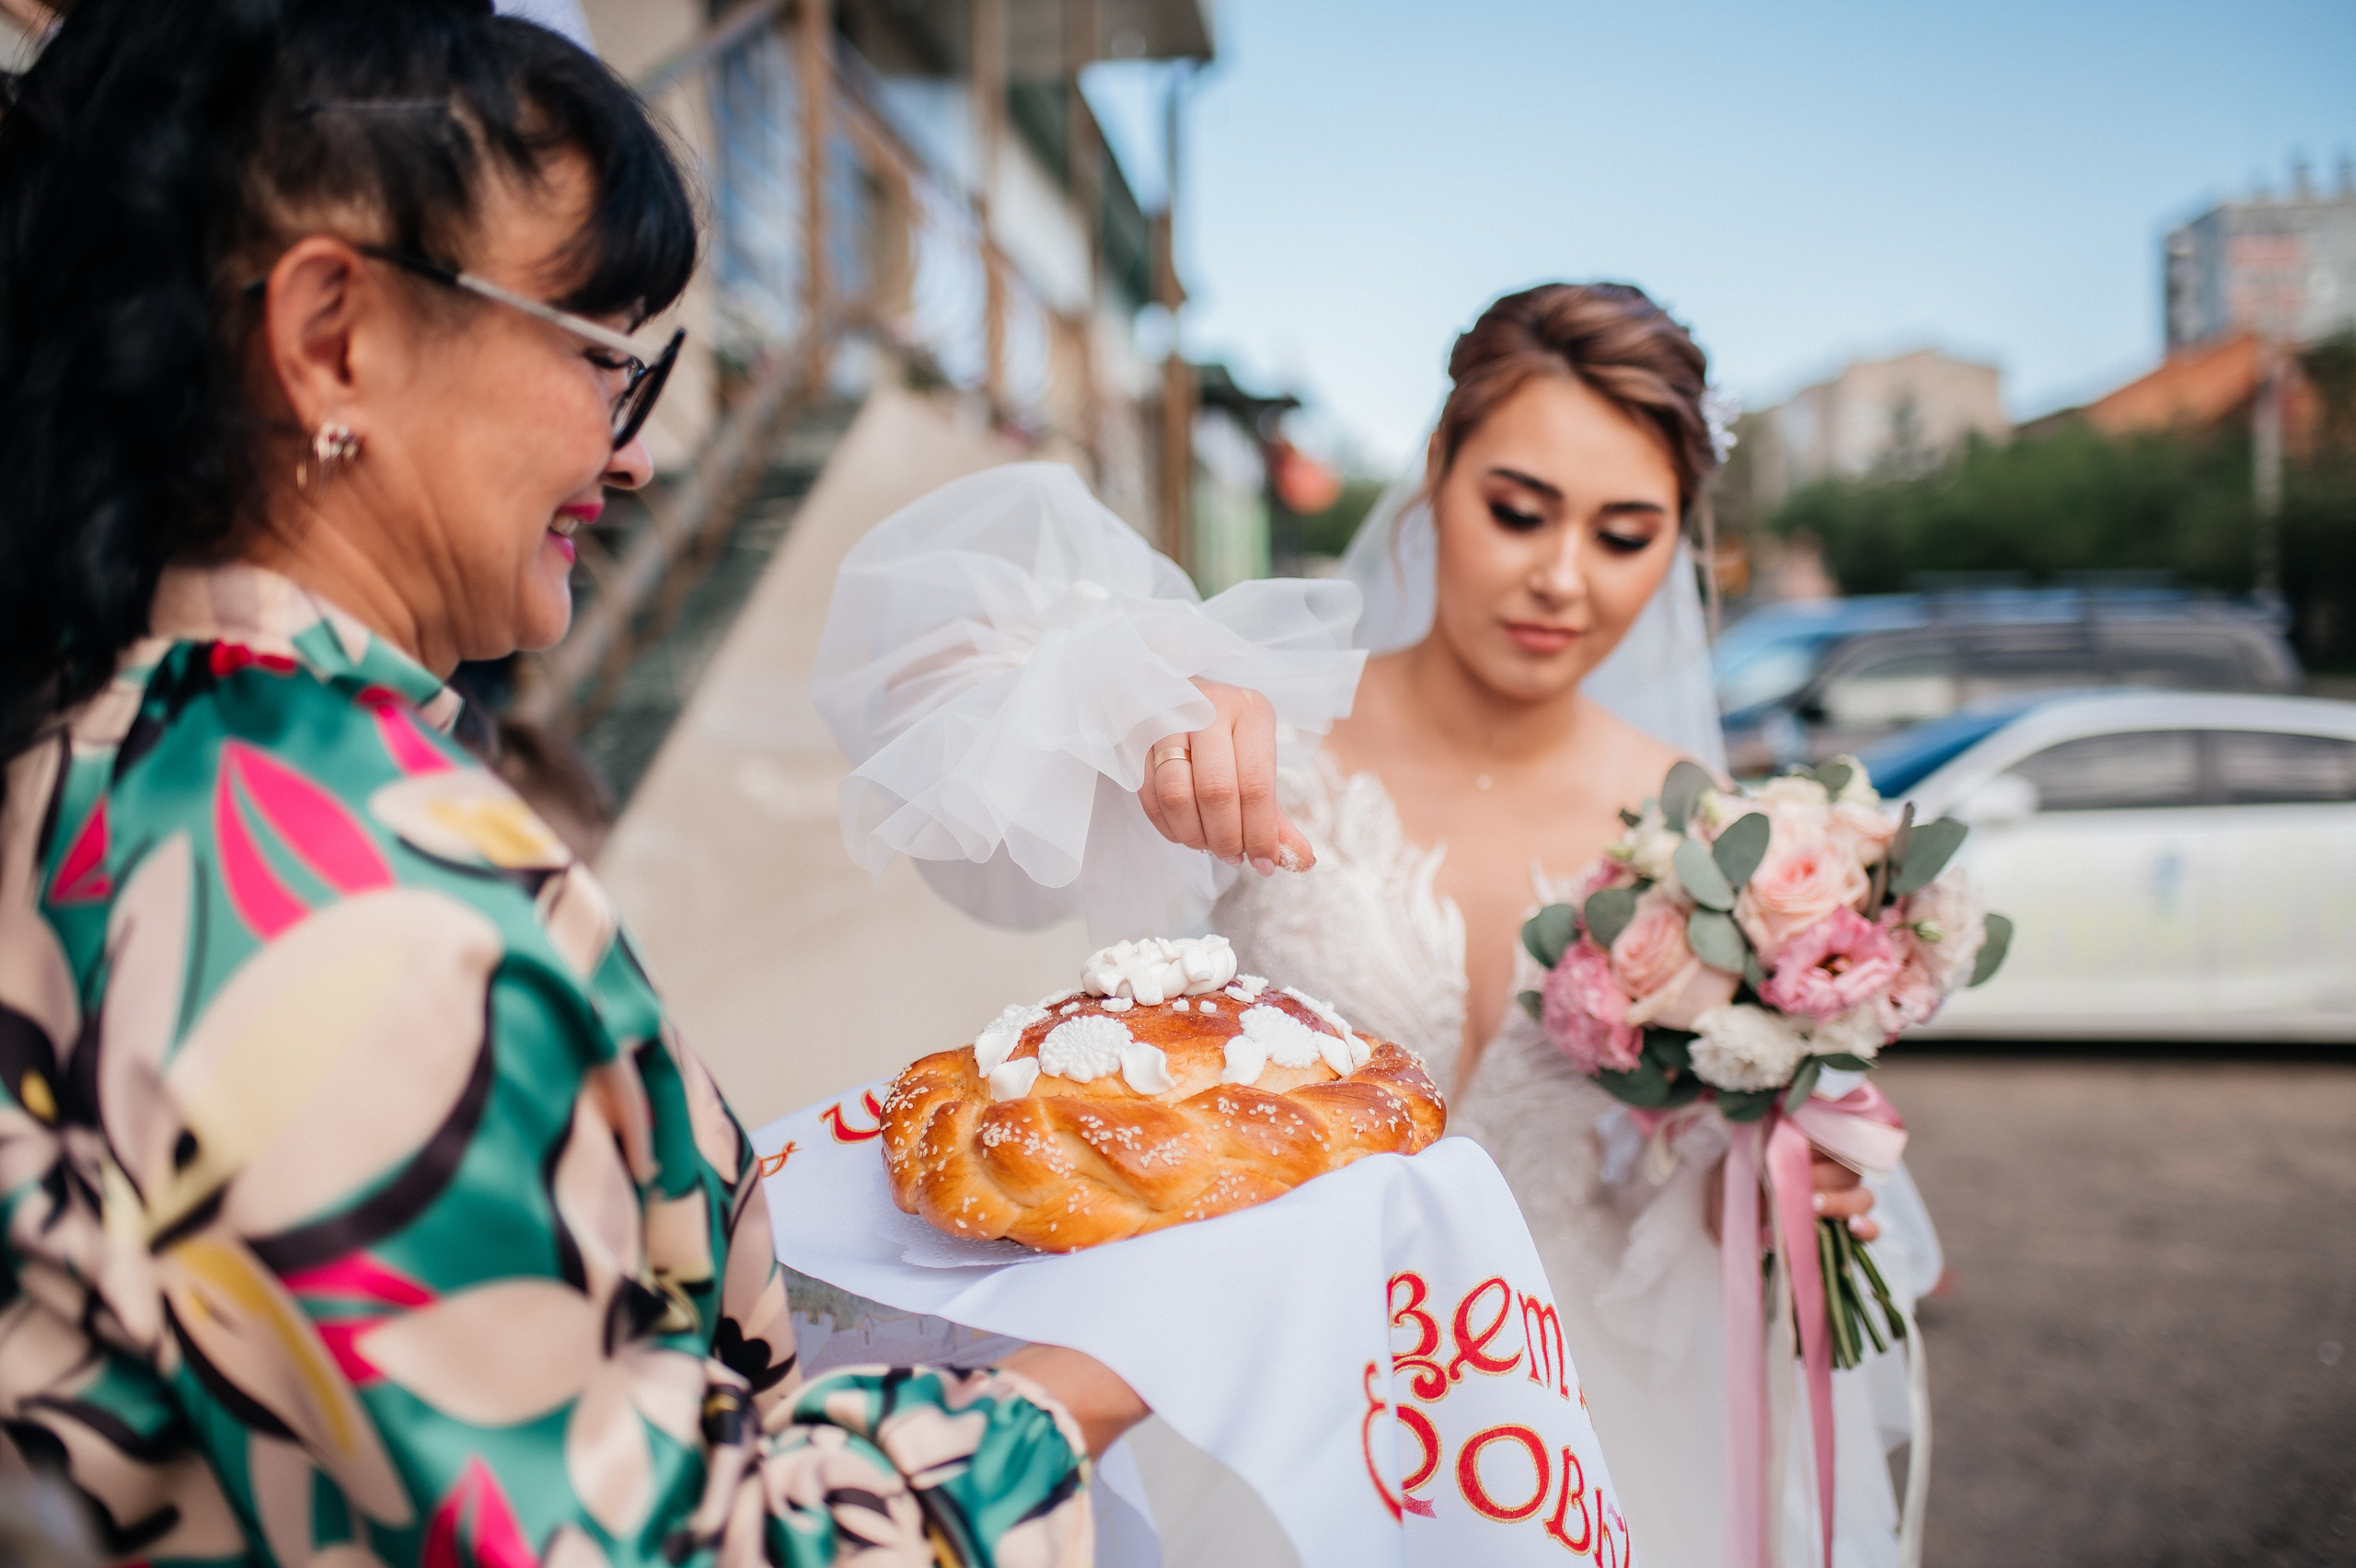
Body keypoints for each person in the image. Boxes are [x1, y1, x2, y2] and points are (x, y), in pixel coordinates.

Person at [0, 6, 1141, 1566]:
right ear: (335, 336)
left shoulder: (150, 754)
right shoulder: (331, 885)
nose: (638, 457)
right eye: (603, 353)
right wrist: (1052, 1406)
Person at [815, 284, 1942, 1566]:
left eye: (1626, 536)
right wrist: (1113, 678)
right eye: (1517, 511)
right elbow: (924, 715)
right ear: (1432, 476)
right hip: (1255, 1402)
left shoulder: (1716, 835)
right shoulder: (1250, 734)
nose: (1561, 578)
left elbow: (1679, 1205)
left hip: (1574, 1418)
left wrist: (1759, 1191)